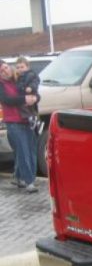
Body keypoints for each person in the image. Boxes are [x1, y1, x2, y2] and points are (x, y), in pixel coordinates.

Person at [0, 59, 39, 192]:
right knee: (23, 152)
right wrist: (24, 99)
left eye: (6, 67)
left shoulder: (19, 78)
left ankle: (18, 177)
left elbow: (34, 92)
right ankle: (29, 182)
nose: (5, 71)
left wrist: (35, 98)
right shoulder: (1, 85)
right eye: (2, 70)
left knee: (31, 150)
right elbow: (7, 100)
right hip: (13, 122)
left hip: (28, 120)